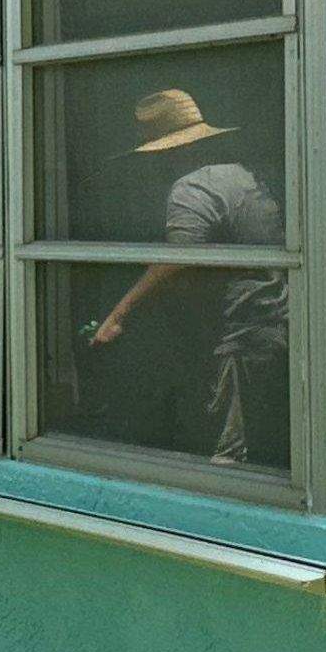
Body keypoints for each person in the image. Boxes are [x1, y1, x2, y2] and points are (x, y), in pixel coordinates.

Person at [89, 88, 288, 468]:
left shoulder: (192, 188)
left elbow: (176, 260)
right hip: (275, 322)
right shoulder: (245, 175)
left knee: (227, 454)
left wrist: (118, 316)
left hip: (238, 335)